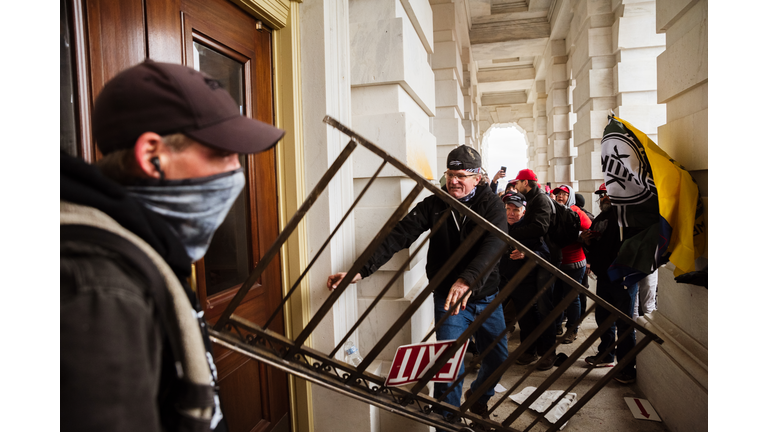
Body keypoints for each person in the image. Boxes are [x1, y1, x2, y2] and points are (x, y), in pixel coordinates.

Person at [61, 60, 285, 431]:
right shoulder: (99, 286)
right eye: (222, 153)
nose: (236, 172)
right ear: (152, 155)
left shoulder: (146, 247)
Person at [327, 146, 508, 421]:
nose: (453, 181)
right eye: (450, 174)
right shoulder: (434, 204)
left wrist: (467, 280)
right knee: (449, 365)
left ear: (477, 178)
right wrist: (360, 270)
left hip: (486, 296)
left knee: (498, 357)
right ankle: (448, 422)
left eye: (460, 176)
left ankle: (479, 397)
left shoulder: (492, 205)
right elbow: (398, 235)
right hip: (449, 298)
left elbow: (495, 244)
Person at [580, 184, 639, 384]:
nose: (604, 197)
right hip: (604, 276)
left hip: (622, 277)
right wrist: (587, 241)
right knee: (603, 318)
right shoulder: (600, 218)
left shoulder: (627, 217)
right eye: (602, 195)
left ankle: (627, 368)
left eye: (608, 194)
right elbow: (596, 246)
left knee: (624, 323)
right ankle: (606, 354)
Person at [506, 169, 560, 370]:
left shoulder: (540, 201)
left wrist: (514, 238)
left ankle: (548, 352)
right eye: (508, 209)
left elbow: (540, 230)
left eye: (518, 183)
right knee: (527, 310)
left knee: (544, 308)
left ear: (526, 183)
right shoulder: (530, 200)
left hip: (545, 262)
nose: (511, 213)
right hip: (526, 269)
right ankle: (531, 349)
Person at [497, 191, 554, 369]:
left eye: (516, 210)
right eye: (508, 209)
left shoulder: (531, 230)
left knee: (527, 317)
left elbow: (545, 255)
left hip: (524, 281)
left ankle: (530, 351)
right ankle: (490, 350)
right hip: (501, 279)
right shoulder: (499, 226)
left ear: (523, 211)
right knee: (492, 314)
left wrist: (526, 254)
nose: (511, 213)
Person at [551, 185, 592, 344]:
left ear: (571, 197)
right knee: (557, 296)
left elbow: (589, 231)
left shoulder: (577, 212)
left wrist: (579, 236)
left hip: (574, 263)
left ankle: (572, 330)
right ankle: (557, 326)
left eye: (564, 194)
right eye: (558, 194)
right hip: (557, 263)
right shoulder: (553, 211)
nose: (560, 196)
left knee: (572, 298)